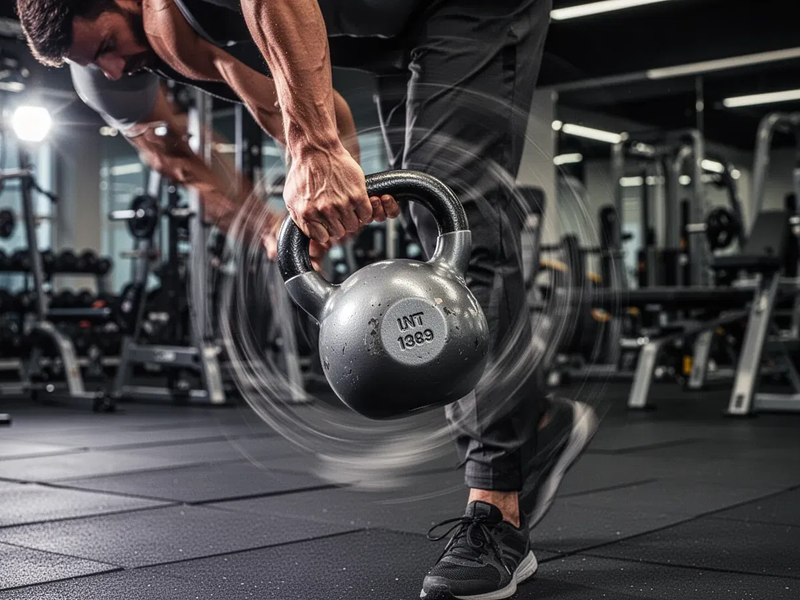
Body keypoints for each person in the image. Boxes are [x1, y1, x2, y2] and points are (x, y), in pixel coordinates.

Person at [16, 1, 598, 598]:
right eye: (95, 62)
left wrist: (316, 147)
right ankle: (537, 426)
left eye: (109, 44)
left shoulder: (172, 17)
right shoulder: (152, 55)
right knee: (430, 205)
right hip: (395, 27)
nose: (114, 69)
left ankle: (498, 512)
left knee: (459, 224)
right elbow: (279, 102)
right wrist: (312, 201)